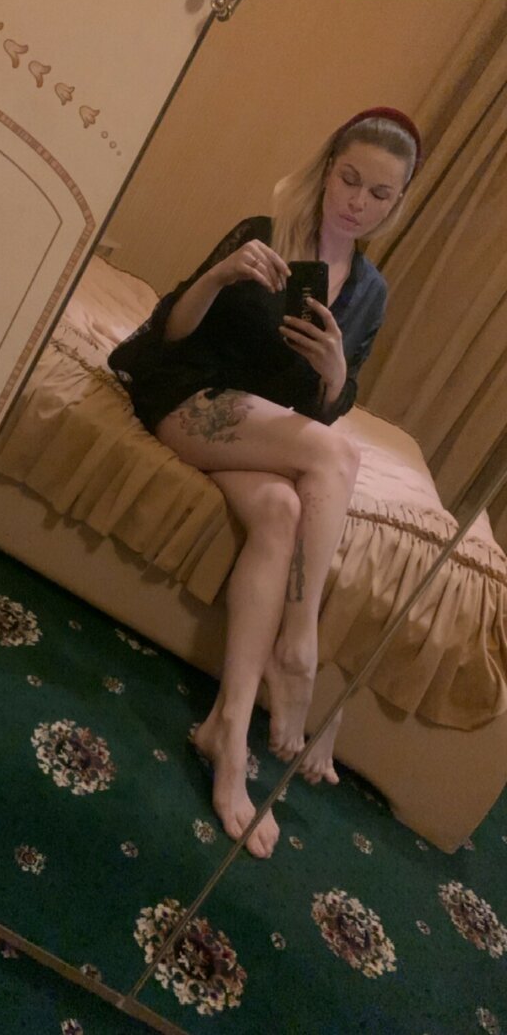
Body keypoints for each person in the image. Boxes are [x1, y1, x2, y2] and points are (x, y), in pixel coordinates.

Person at [108, 107, 423, 859]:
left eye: (380, 194)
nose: (357, 202)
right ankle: (299, 650)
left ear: (397, 203)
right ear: (328, 169)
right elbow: (170, 330)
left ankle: (227, 729)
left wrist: (337, 372)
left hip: (258, 428)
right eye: (349, 179)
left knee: (282, 508)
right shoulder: (265, 229)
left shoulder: (371, 292)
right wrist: (220, 274)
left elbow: (323, 408)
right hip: (189, 397)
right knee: (336, 459)